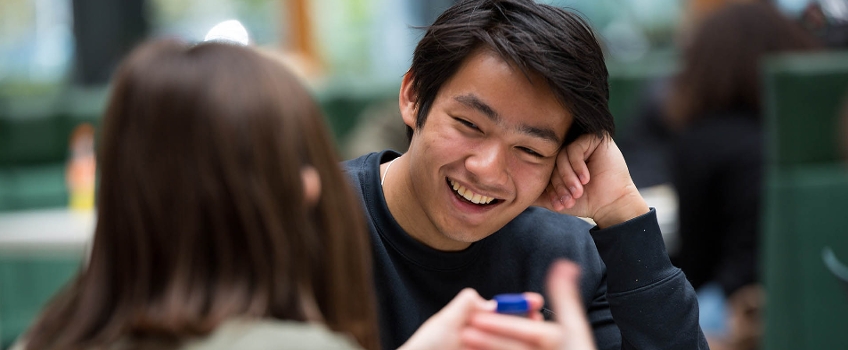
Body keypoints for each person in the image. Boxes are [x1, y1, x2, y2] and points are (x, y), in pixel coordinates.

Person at [13, 38, 600, 350]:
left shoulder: (46, 333)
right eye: (285, 163)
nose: (314, 183)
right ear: (413, 99)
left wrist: (623, 217)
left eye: (530, 148)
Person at [342, 0, 708, 349]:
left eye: (530, 150)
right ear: (413, 96)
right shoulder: (312, 222)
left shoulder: (569, 258)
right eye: (469, 124)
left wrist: (621, 209)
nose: (487, 169)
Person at [664, 2, 819, 349]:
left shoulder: (703, 138)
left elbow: (697, 256)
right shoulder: (813, 131)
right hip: (816, 292)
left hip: (734, 300)